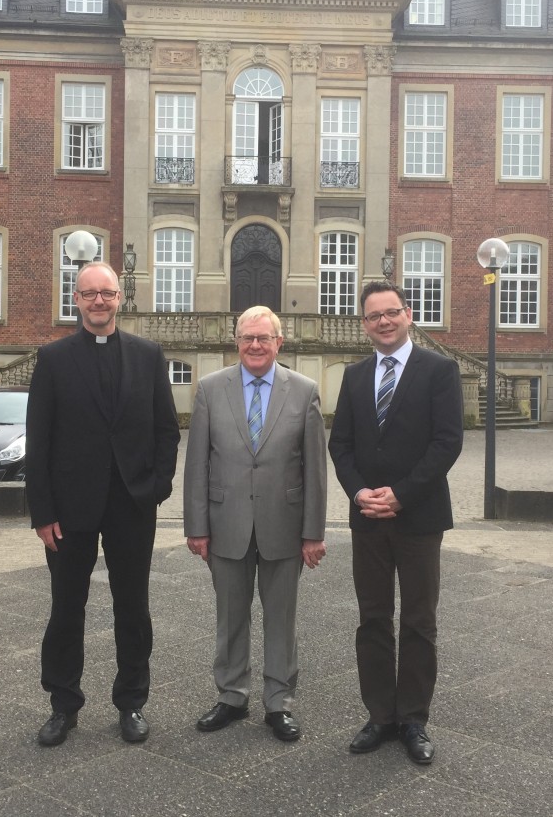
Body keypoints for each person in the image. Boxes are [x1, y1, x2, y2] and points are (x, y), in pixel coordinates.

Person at [25, 260, 180, 747]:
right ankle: (63, 704)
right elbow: (39, 440)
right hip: (69, 510)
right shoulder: (52, 359)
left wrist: (156, 487)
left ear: (120, 298)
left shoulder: (148, 355)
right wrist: (43, 513)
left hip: (132, 503)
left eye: (107, 293)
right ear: (76, 299)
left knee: (132, 607)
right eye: (89, 293)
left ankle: (132, 701)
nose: (98, 301)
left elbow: (166, 431)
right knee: (67, 608)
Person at [328, 280, 463, 766]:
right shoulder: (355, 374)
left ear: (408, 315)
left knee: (420, 620)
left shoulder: (439, 370)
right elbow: (340, 444)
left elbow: (447, 443)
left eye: (391, 312)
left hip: (419, 516)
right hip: (367, 518)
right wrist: (360, 491)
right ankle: (380, 715)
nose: (383, 321)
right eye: (373, 316)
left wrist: (401, 495)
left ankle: (413, 719)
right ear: (364, 324)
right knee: (372, 618)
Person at [184, 306, 327, 743]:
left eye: (264, 338)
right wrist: (197, 526)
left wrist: (314, 533)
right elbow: (197, 465)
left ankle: (278, 702)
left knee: (281, 619)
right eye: (247, 338)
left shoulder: (304, 391)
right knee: (230, 617)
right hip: (226, 523)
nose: (256, 345)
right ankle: (231, 695)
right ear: (236, 342)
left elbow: (316, 470)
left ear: (279, 343)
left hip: (284, 525)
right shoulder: (210, 389)